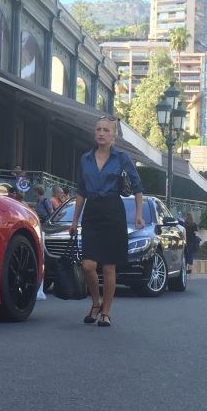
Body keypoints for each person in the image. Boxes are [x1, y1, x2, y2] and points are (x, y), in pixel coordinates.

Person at [69, 115, 143, 328]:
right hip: (92, 212)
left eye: (106, 130)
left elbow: (137, 188)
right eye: (98, 130)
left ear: (114, 136)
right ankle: (95, 302)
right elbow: (81, 192)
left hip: (113, 211)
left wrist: (138, 215)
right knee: (88, 265)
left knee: (109, 267)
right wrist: (74, 221)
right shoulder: (85, 159)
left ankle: (106, 312)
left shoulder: (122, 159)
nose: (101, 133)